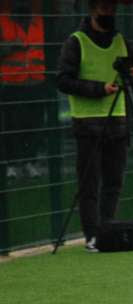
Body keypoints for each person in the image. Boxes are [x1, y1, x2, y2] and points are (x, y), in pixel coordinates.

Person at [56, 0, 133, 253]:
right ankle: (92, 235)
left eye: (113, 9)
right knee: (89, 183)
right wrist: (98, 90)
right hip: (88, 124)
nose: (110, 13)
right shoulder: (76, 42)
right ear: (92, 9)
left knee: (114, 182)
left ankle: (108, 229)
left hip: (118, 121)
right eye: (105, 8)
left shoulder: (122, 41)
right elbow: (63, 80)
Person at [1, 0, 47, 180]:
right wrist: (11, 46)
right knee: (11, 126)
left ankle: (30, 162)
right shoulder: (3, 21)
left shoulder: (41, 21)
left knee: (34, 124)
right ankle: (11, 165)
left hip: (36, 81)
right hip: (11, 83)